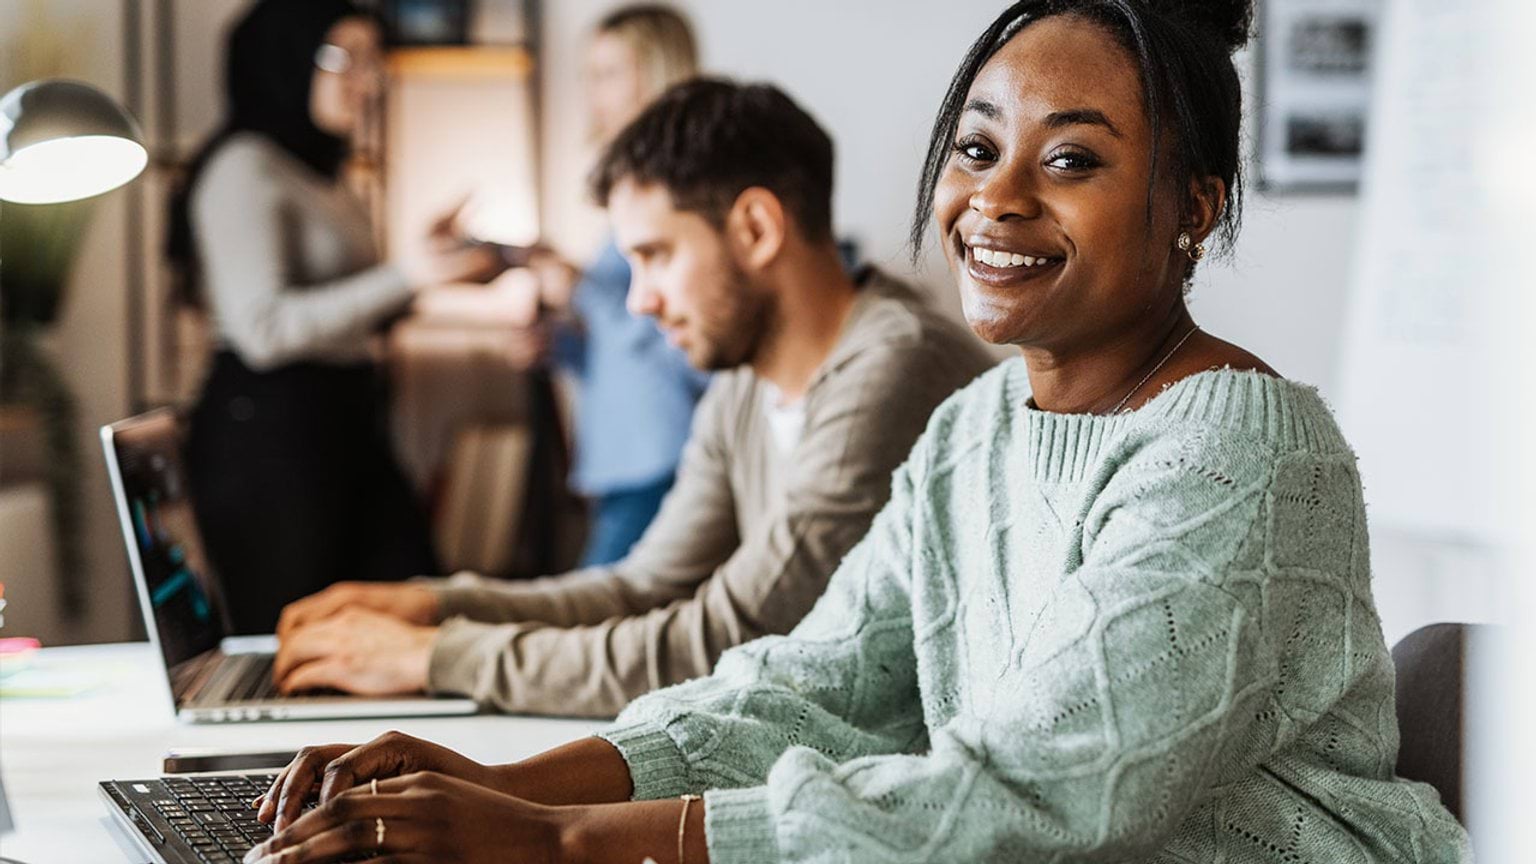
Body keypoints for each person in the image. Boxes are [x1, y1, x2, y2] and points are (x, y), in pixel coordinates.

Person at [244, 2, 1471, 861]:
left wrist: (556, 842)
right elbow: (805, 689)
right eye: (978, 148)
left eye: (1073, 161)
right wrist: (492, 787)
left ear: (1193, 211)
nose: (995, 196)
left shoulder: (1244, 452)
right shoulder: (976, 429)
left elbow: (1041, 797)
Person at [268, 80, 995, 717]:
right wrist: (433, 605)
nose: (640, 302)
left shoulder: (893, 367)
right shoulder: (745, 384)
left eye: (655, 256)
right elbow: (643, 587)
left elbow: (721, 637)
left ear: (756, 229)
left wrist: (431, 658)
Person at [167, 0, 494, 634]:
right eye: (348, 60)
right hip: (270, 439)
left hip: (346, 426)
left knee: (408, 614)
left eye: (376, 62)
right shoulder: (243, 166)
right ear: (286, 59)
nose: (369, 81)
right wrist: (407, 275)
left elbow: (347, 308)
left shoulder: (324, 172)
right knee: (296, 640)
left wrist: (435, 269)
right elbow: (264, 330)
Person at [462, 4, 712, 567]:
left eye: (608, 73)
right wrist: (562, 346)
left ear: (658, 72)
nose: (591, 92)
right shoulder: (635, 193)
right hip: (622, 456)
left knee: (596, 608)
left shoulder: (690, 192)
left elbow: (691, 342)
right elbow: (625, 348)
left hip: (663, 454)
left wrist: (579, 287)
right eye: (588, 75)